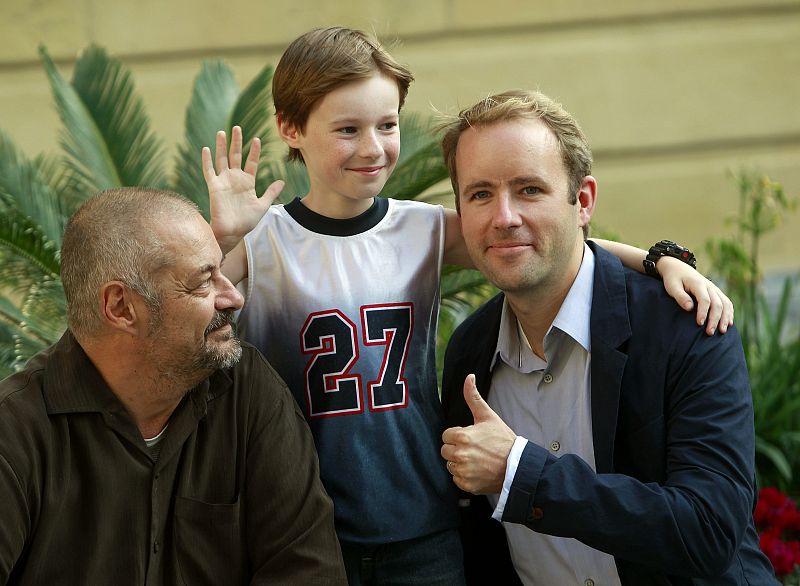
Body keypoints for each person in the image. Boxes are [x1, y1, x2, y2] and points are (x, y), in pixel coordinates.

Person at [202, 27, 734, 585]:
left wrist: (658, 260)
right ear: (291, 128)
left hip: (420, 523)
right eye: (347, 130)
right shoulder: (262, 242)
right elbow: (189, 309)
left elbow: (544, 242)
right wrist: (221, 238)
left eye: (387, 125)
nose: (373, 147)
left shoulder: (423, 229)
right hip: (307, 525)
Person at [438, 89, 778, 585]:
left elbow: (708, 531)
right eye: (480, 193)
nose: (504, 216)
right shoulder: (470, 352)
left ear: (583, 200)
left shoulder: (684, 324)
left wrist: (522, 473)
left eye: (529, 189)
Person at [0, 187, 347, 585]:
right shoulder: (15, 433)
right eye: (203, 283)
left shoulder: (246, 387)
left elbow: (307, 568)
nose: (233, 295)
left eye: (223, 270)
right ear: (121, 307)